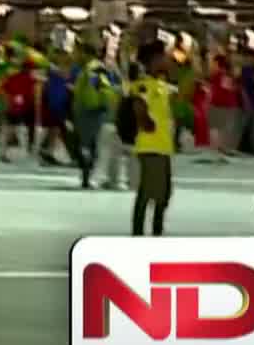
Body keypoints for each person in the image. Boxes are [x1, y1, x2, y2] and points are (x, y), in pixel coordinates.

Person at [125, 41, 177, 236]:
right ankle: (139, 233)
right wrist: (146, 122)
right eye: (163, 57)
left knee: (163, 194)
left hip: (163, 147)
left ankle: (157, 231)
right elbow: (138, 105)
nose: (167, 60)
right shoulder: (143, 85)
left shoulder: (162, 86)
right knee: (147, 193)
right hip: (149, 147)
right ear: (153, 60)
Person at [71, 47, 122, 190]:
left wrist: (86, 105)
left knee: (88, 146)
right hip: (95, 110)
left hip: (88, 111)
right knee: (93, 146)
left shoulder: (92, 70)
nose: (77, 55)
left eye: (80, 52)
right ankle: (92, 176)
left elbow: (94, 89)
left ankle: (89, 177)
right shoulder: (97, 69)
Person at [0, 59, 39, 163]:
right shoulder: (30, 79)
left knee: (10, 130)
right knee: (18, 130)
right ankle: (26, 153)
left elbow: (2, 89)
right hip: (21, 108)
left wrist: (8, 100)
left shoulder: (15, 77)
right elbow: (35, 93)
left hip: (17, 108)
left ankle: (3, 153)